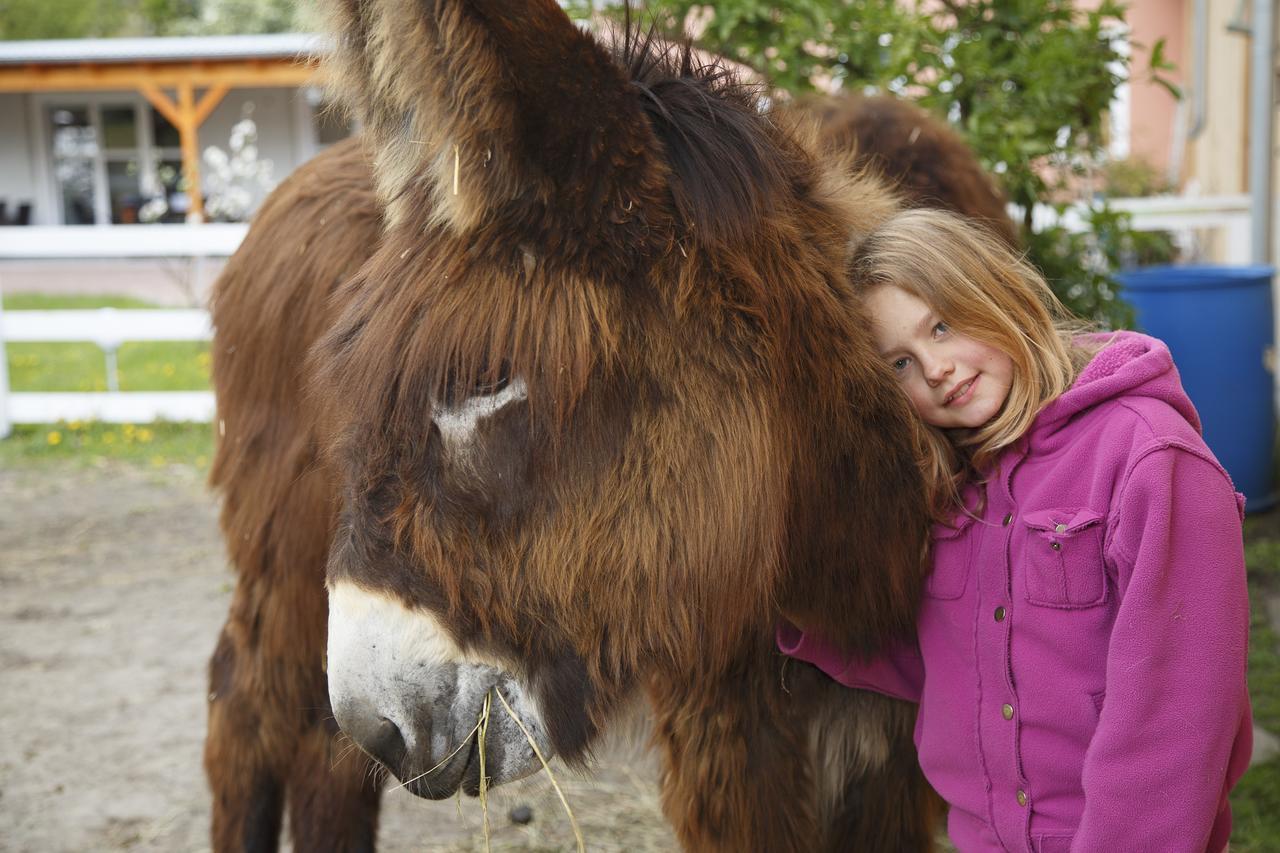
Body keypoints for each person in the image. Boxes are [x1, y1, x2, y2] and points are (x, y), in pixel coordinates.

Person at [779, 209, 1252, 852]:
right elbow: (947, 666)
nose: (935, 368)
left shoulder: (1148, 460)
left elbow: (1177, 723)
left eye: (941, 327)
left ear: (993, 291)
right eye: (900, 364)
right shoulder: (953, 488)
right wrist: (792, 601)